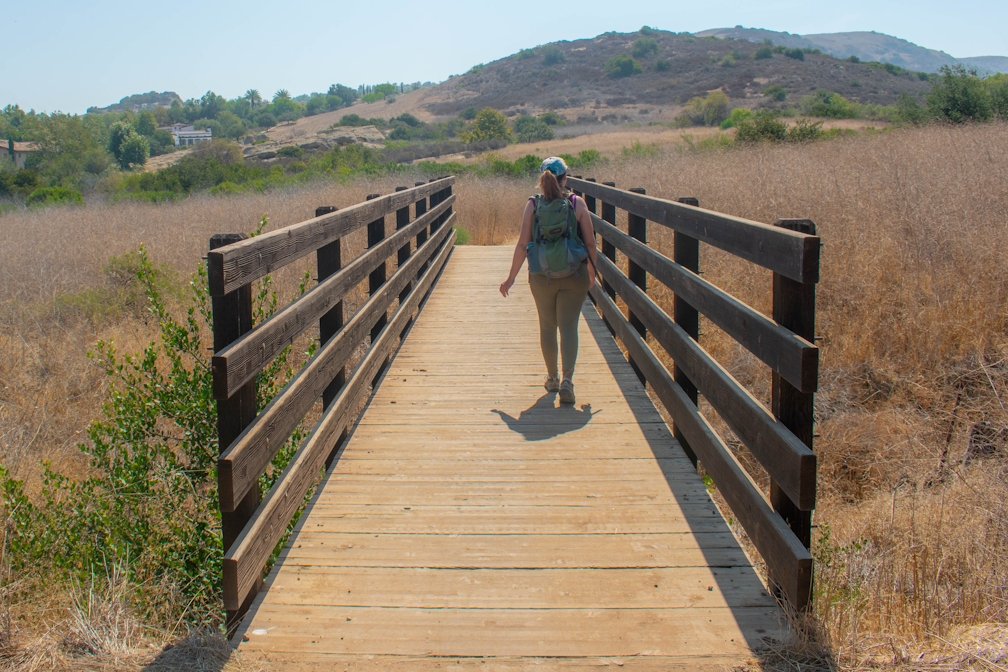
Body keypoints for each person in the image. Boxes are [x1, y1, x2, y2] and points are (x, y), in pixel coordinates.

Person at [499, 157, 599, 405]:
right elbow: (590, 243)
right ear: (566, 177)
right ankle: (568, 381)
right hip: (573, 273)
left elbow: (523, 244)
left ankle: (552, 378)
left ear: (543, 179)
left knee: (547, 326)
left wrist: (510, 278)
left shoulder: (532, 205)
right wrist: (592, 272)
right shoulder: (577, 204)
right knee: (568, 326)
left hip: (540, 275)